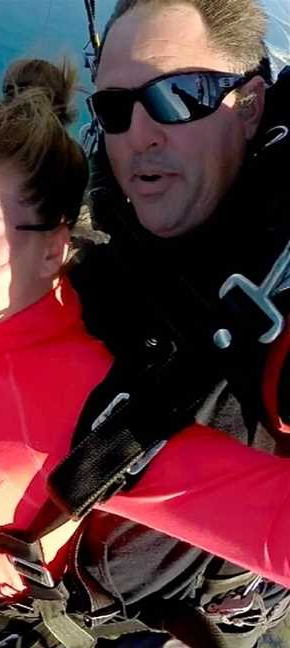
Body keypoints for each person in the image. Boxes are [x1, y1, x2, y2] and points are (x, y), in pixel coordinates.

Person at [0, 56, 290, 648]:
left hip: (16, 616)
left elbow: (273, 523)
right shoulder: (45, 308)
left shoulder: (71, 413)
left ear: (54, 248)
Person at [64, 0, 290, 645]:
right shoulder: (115, 229)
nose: (139, 132)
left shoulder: (277, 265)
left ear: (249, 107)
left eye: (177, 96)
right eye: (114, 108)